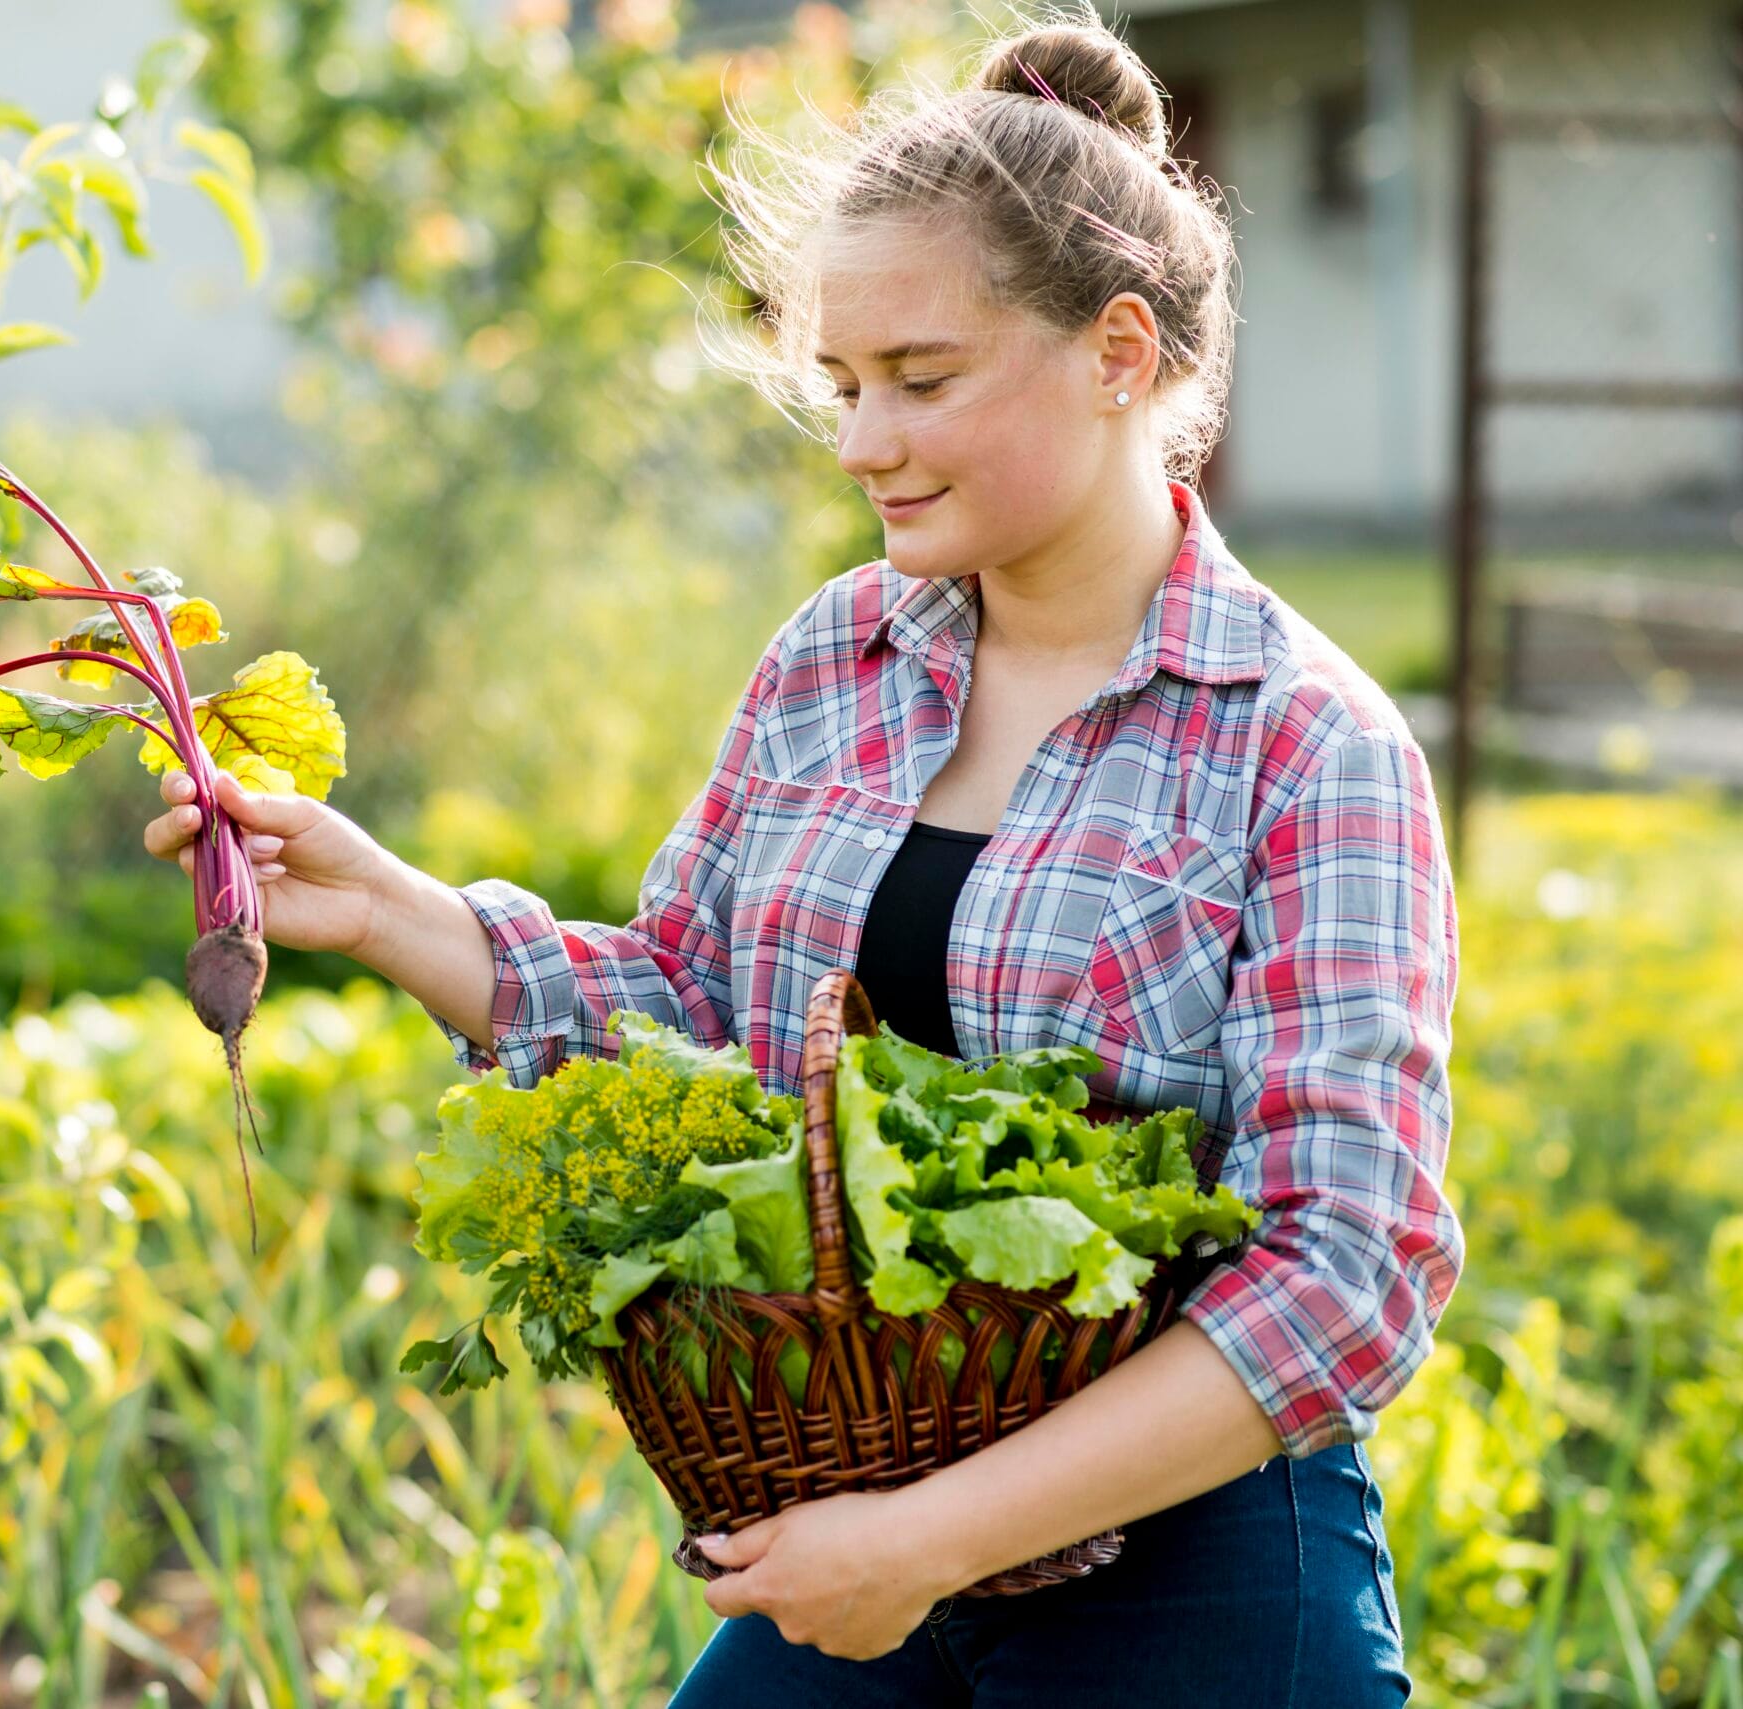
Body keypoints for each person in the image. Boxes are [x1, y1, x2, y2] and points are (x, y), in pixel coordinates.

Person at [142, 7, 1459, 1701]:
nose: (858, 442)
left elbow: (1350, 1268)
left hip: (1186, 1564)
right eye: (842, 384)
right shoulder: (838, 659)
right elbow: (699, 1013)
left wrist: (934, 1539)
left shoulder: (1304, 743)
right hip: (846, 1521)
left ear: (1120, 352)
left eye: (921, 380)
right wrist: (387, 905)